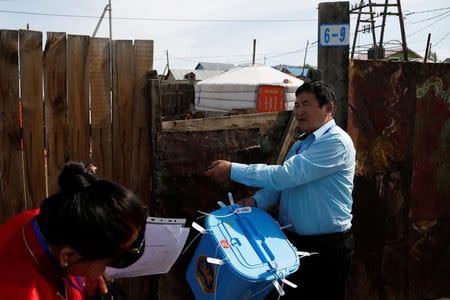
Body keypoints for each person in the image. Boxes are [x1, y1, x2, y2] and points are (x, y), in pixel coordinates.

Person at [205, 81, 356, 299]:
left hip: (328, 246)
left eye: (306, 104)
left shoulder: (336, 142)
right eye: (296, 105)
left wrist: (233, 170)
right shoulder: (301, 144)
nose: (299, 111)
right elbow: (282, 185)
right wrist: (256, 201)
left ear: (329, 108)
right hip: (292, 243)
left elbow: (285, 175)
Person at [0, 161, 147, 300]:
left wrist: (87, 270)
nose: (105, 271)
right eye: (107, 263)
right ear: (69, 256)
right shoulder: (21, 293)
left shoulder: (52, 219)